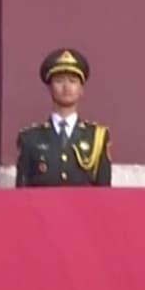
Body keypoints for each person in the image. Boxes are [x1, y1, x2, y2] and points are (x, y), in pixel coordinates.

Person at [14, 48, 113, 187]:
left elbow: (104, 191)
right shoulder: (30, 138)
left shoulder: (97, 137)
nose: (66, 87)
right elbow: (21, 192)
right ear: (49, 88)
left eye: (72, 81)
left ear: (81, 90)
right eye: (59, 81)